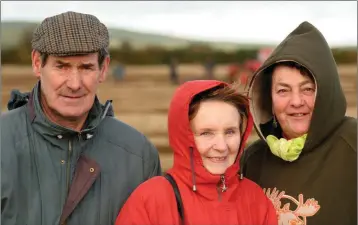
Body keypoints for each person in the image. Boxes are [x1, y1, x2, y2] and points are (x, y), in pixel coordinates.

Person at [1, 11, 162, 225]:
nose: (75, 84)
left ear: (103, 69)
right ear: (37, 63)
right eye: (62, 66)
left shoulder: (139, 155)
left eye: (86, 67)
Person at [241, 21, 357, 225]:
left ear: (326, 93)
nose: (296, 102)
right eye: (283, 90)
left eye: (307, 89)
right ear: (268, 98)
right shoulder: (253, 159)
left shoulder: (352, 144)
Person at [115, 80, 278, 225]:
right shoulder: (152, 200)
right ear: (183, 137)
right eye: (206, 133)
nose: (221, 146)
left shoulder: (255, 200)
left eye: (230, 132)